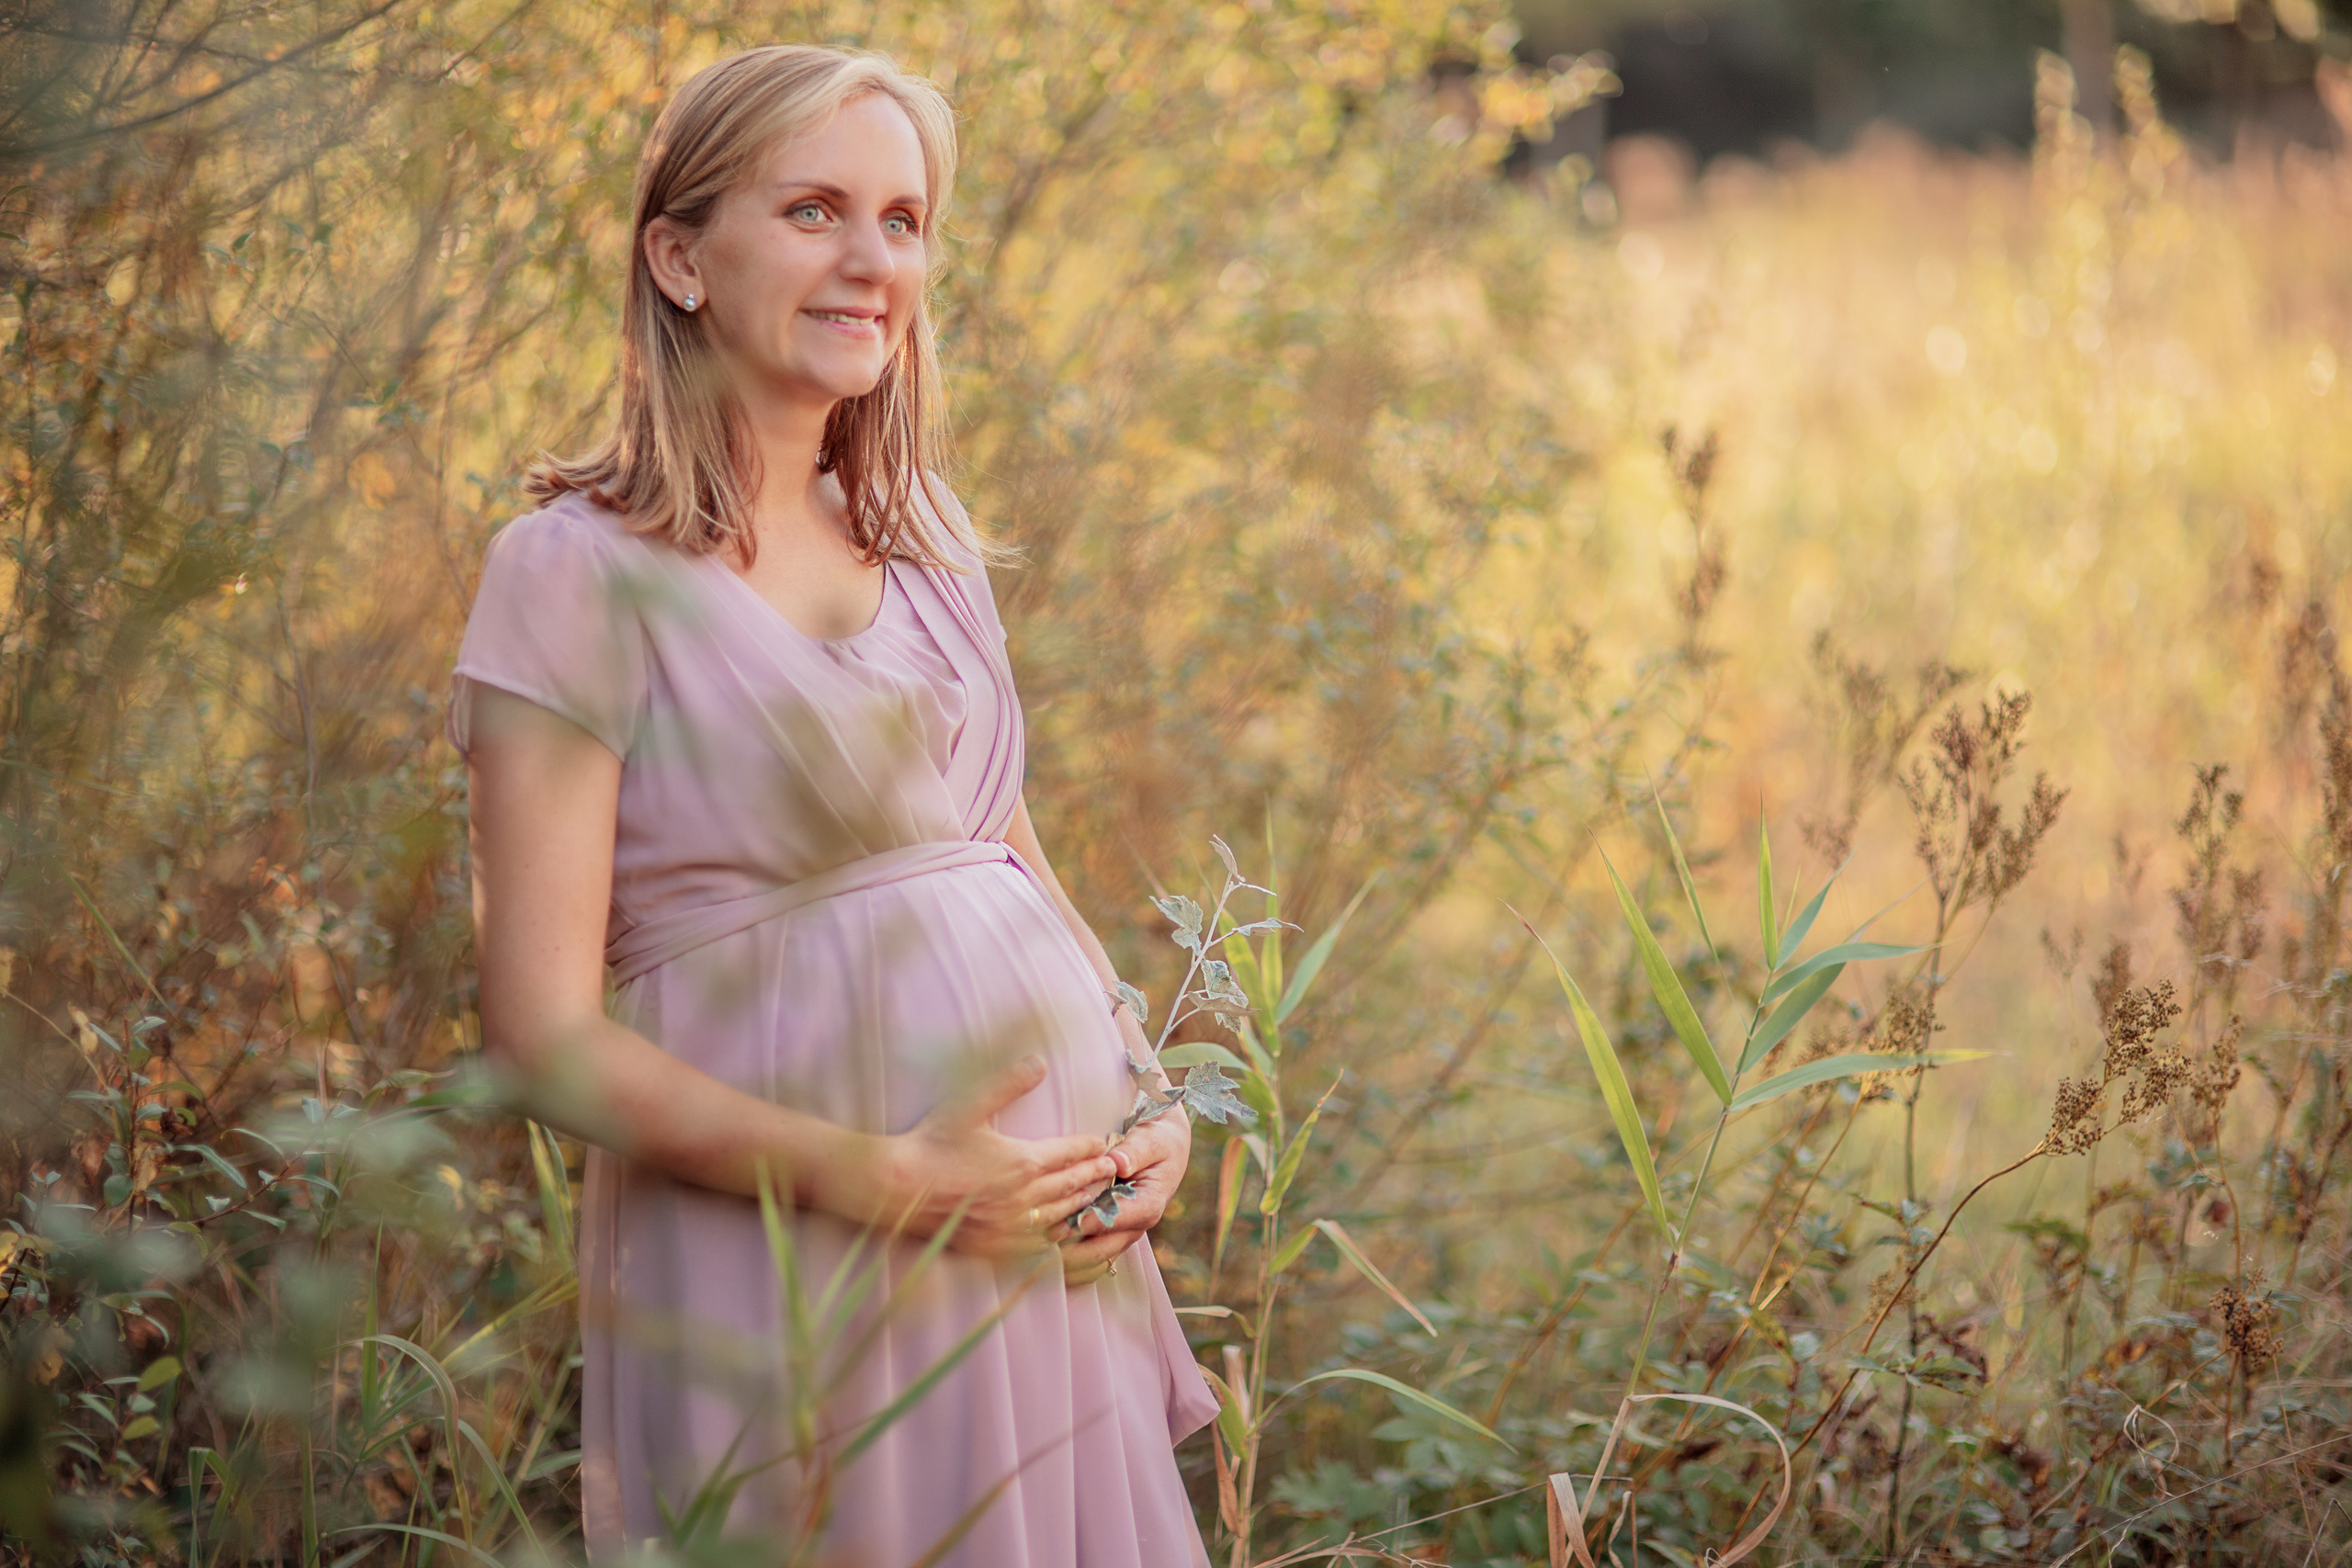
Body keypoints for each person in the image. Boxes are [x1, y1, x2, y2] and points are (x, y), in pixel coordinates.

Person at [447, 43, 1217, 1566]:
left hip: (1037, 1256)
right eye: (814, 211)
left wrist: (1143, 1094)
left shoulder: (921, 532)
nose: (874, 262)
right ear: (679, 255)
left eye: (905, 220)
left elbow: (1006, 858)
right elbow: (543, 1039)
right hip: (798, 1250)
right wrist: (896, 1184)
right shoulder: (573, 573)